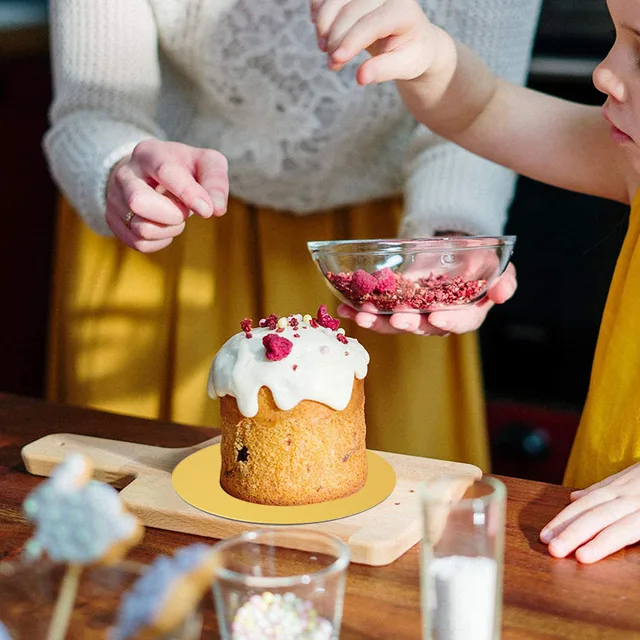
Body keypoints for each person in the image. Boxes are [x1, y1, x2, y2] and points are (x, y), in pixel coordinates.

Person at [43, 0, 538, 470]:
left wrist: (452, 239)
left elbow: (481, 114)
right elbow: (93, 110)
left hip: (386, 258)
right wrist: (119, 172)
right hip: (174, 226)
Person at [313, 0, 640, 563]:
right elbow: (481, 109)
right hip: (598, 534)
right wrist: (432, 58)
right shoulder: (632, 165)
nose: (604, 72)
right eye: (617, 36)